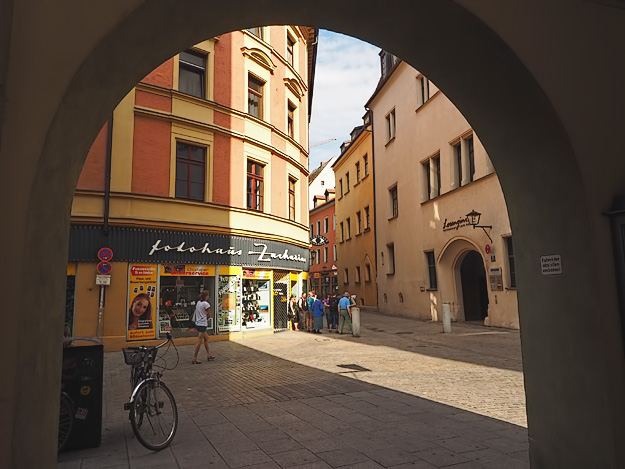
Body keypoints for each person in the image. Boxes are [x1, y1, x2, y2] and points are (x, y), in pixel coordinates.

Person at [192, 289, 215, 364]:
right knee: (199, 341)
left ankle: (209, 354)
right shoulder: (206, 304)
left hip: (198, 323)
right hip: (203, 324)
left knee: (206, 338)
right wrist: (207, 318)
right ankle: (195, 357)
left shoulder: (198, 302)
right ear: (206, 296)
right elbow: (208, 315)